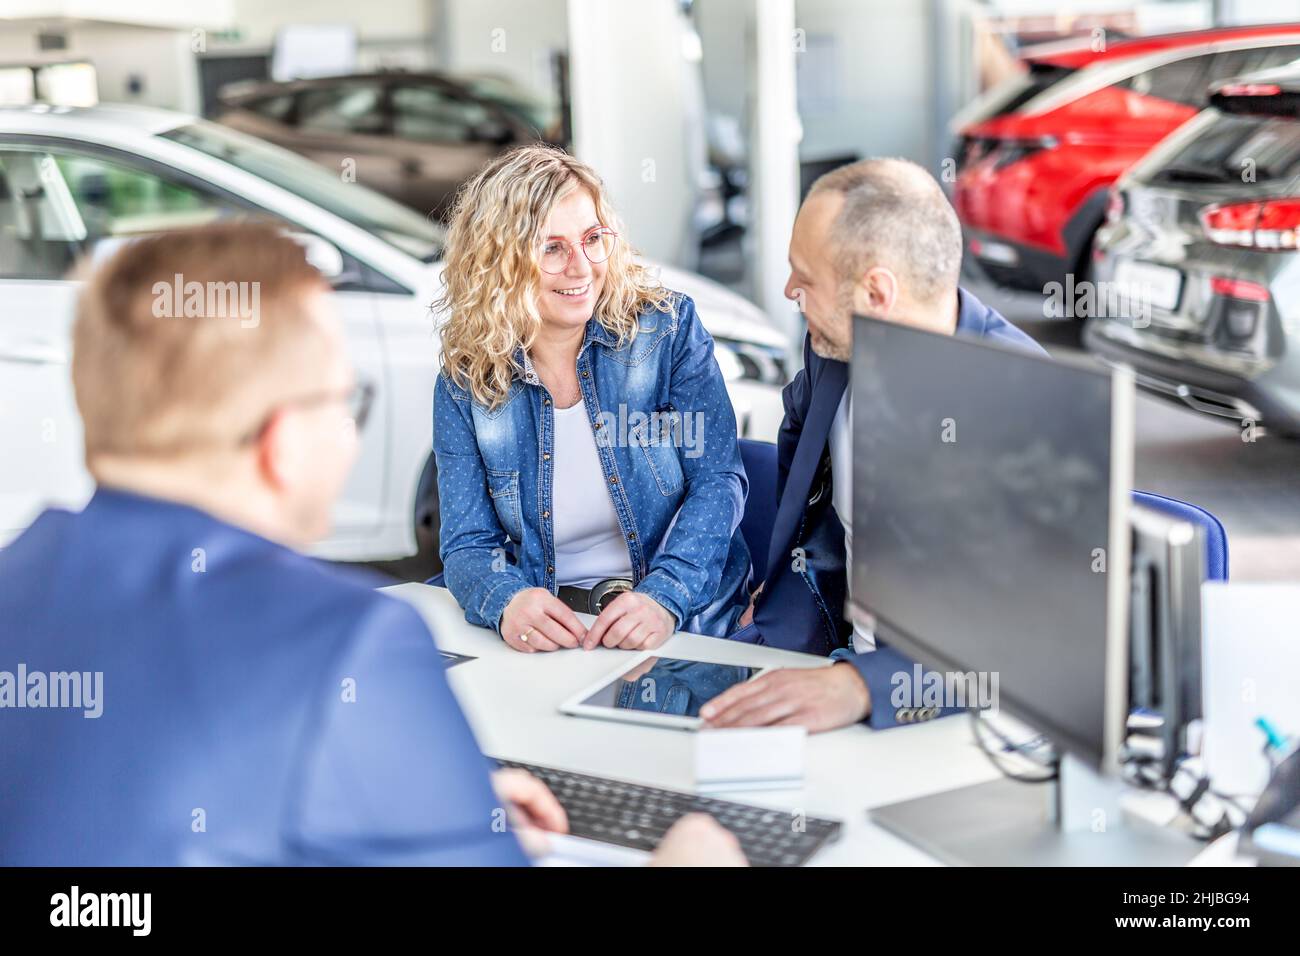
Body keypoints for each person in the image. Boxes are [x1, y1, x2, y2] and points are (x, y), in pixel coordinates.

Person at [0, 223, 742, 866]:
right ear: (283, 444)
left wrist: (424, 813)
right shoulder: (349, 645)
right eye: (342, 398)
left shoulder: (17, 578)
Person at [702, 158, 1046, 734]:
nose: (790, 292)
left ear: (875, 293)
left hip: (959, 718)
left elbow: (1035, 632)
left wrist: (865, 684)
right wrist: (781, 602)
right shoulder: (835, 343)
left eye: (803, 278)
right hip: (821, 658)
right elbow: (806, 476)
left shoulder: (1024, 402)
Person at [434, 144, 750, 653]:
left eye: (592, 239)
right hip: (551, 631)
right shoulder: (468, 379)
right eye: (551, 248)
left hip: (680, 620)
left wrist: (665, 596)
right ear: (499, 262)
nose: (581, 268)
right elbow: (468, 544)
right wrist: (505, 600)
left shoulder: (666, 332)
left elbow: (719, 482)